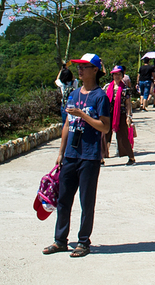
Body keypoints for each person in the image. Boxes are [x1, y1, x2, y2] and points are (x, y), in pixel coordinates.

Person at [43, 53, 111, 258]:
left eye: (84, 66)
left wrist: (83, 115)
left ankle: (83, 242)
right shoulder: (73, 94)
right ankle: (60, 240)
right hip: (71, 155)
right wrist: (61, 152)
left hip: (90, 156)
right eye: (79, 67)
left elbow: (105, 127)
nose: (80, 70)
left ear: (95, 70)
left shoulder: (100, 96)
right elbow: (66, 124)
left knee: (86, 200)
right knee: (63, 198)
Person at [102, 65, 135, 166]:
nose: (116, 76)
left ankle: (131, 157)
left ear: (122, 75)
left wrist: (129, 117)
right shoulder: (107, 87)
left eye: (119, 74)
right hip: (108, 114)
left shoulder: (125, 89)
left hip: (120, 114)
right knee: (104, 135)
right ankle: (101, 157)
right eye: (115, 74)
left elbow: (128, 103)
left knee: (123, 136)